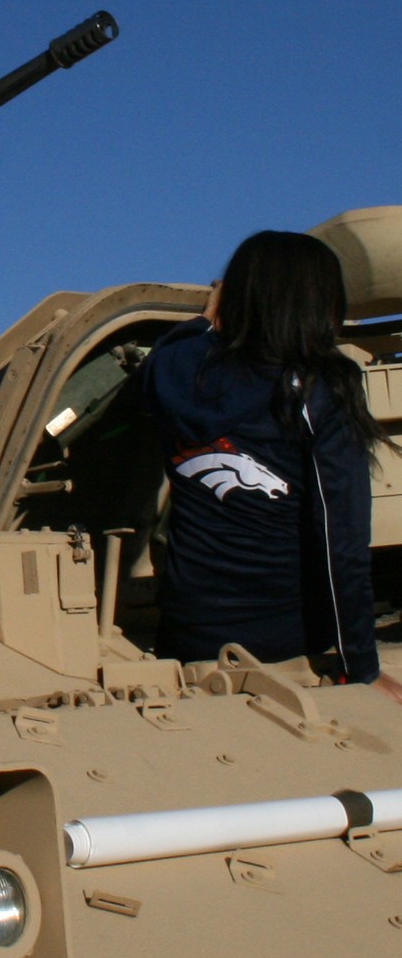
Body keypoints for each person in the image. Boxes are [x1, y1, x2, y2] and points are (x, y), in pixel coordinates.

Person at [139, 230, 402, 703]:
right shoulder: (316, 391)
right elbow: (339, 542)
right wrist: (361, 668)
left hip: (188, 645)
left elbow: (171, 353)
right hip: (286, 650)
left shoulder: (174, 371)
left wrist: (206, 318)